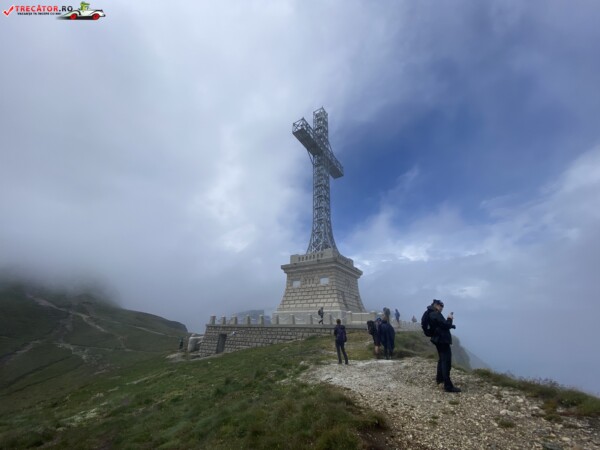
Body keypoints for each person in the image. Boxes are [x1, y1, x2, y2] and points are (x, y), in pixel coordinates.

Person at [428, 299, 461, 393]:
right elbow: (445, 325)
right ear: (436, 305)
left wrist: (451, 325)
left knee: (442, 360)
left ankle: (440, 379)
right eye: (440, 306)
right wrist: (449, 318)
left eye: (442, 306)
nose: (442, 308)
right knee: (446, 361)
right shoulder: (435, 314)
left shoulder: (432, 313)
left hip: (438, 340)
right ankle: (448, 386)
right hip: (442, 340)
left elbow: (441, 325)